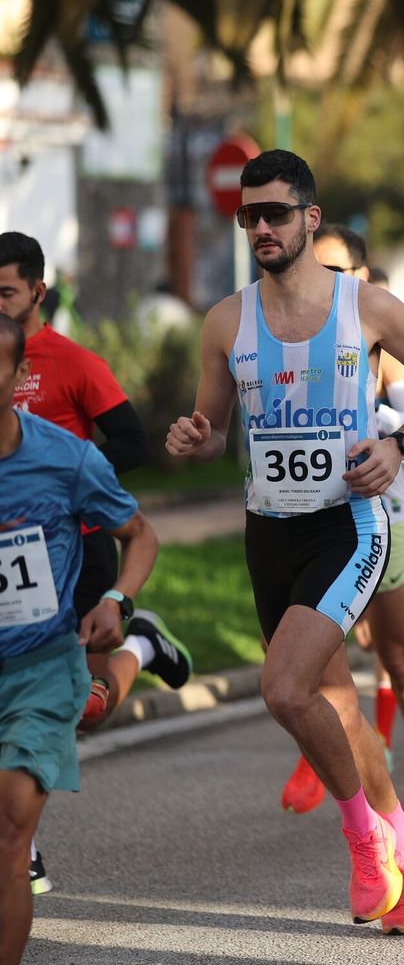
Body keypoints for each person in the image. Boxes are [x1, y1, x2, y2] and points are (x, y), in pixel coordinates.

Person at [166, 149, 404, 934]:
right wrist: (192, 434)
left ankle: (367, 840)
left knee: (283, 688)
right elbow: (214, 428)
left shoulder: (366, 306)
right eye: (248, 216)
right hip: (269, 532)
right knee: (335, 701)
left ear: (310, 218)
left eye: (274, 213)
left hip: (348, 526)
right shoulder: (226, 320)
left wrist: (400, 446)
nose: (260, 227)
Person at [0, 232, 192, 896]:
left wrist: (67, 486)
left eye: (5, 290)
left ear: (37, 292)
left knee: (82, 704)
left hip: (76, 543)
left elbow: (134, 440)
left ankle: (139, 642)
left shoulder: (73, 361)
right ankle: (19, 845)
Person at [0, 311, 159, 965]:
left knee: (11, 825)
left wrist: (117, 598)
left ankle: (138, 641)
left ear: (18, 375)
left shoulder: (66, 457)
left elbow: (140, 534)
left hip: (39, 668)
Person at [279, 225, 404, 826]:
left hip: (386, 518)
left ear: (363, 277)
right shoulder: (284, 335)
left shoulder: (386, 339)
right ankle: (325, 754)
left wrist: (400, 443)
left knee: (396, 654)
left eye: (336, 270)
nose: (319, 281)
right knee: (326, 663)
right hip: (306, 521)